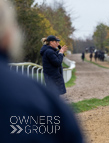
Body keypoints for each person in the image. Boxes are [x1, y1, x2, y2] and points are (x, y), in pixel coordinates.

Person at [0, 1, 83, 143]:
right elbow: (57, 62)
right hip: (52, 77)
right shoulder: (49, 53)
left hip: (52, 76)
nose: (58, 43)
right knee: (55, 99)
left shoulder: (49, 50)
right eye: (56, 42)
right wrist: (61, 53)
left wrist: (60, 52)